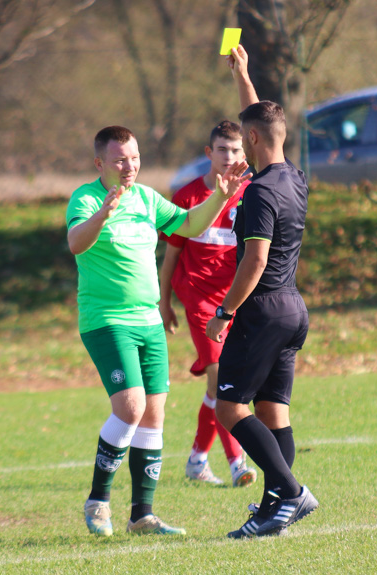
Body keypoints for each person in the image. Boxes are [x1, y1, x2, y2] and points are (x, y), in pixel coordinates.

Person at [67, 125, 249, 537]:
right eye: (118, 159)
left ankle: (142, 516)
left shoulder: (148, 198)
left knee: (153, 416)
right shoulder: (85, 198)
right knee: (130, 408)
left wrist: (220, 196)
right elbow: (76, 243)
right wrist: (103, 213)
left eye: (133, 157)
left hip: (148, 322)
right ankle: (98, 502)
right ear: (100, 164)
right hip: (108, 321)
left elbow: (188, 225)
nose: (128, 166)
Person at [205, 45, 319, 539]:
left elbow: (254, 261)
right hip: (294, 309)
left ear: (250, 140)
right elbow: (261, 121)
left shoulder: (258, 193)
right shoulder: (292, 178)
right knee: (274, 413)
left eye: (243, 138)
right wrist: (243, 76)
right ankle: (276, 510)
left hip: (262, 311)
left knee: (229, 408)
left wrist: (225, 313)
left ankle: (291, 493)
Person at [158, 120, 257, 488]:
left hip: (234, 301)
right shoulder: (187, 197)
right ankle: (237, 463)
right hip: (199, 302)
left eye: (234, 150)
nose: (228, 157)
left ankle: (198, 459)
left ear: (243, 154)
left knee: (219, 389)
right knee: (222, 380)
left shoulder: (251, 194)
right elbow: (170, 257)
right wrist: (164, 301)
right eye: (221, 150)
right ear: (208, 153)